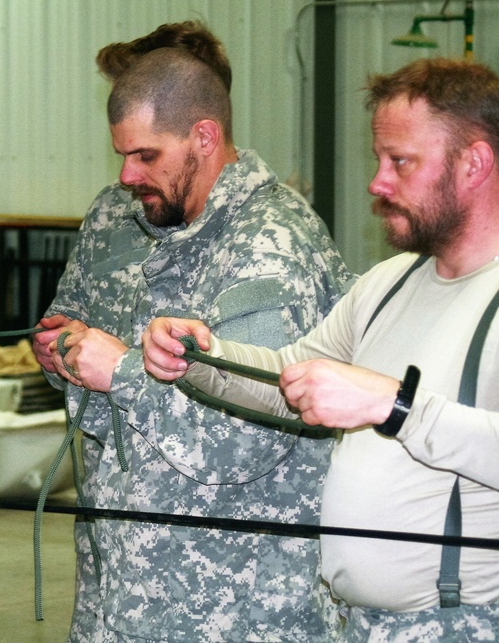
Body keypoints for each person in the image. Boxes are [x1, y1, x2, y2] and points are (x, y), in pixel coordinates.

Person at [143, 57, 499, 642]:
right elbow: (292, 375)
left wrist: (396, 406)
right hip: (357, 625)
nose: (377, 182)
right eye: (379, 159)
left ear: (474, 164)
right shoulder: (388, 284)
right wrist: (198, 357)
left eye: (401, 162)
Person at [35, 42, 354, 641]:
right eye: (123, 156)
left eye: (145, 155)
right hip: (143, 582)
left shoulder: (267, 246)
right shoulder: (168, 221)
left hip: (238, 603)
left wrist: (123, 372)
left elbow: (251, 432)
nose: (127, 176)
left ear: (205, 138)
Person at [32, 21, 234, 642]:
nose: (131, 170)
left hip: (201, 540)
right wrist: (58, 348)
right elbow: (67, 317)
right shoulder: (112, 212)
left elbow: (247, 407)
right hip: (111, 512)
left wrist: (120, 368)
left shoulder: (253, 237)